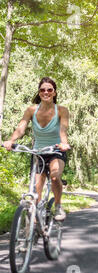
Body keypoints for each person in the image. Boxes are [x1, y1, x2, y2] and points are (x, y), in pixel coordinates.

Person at [3, 77, 70, 221]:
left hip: (56, 150)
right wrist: (11, 140)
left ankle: (58, 206)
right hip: (38, 152)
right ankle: (33, 227)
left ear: (54, 92)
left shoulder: (62, 110)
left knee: (54, 176)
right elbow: (21, 128)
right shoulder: (31, 110)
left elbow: (63, 130)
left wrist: (64, 143)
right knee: (36, 189)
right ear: (39, 93)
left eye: (49, 90)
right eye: (42, 90)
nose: (46, 92)